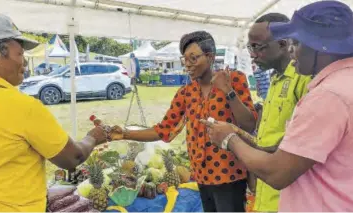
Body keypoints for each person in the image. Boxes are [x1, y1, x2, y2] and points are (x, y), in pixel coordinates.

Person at [202, 1, 353, 212]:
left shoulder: (329, 96)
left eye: (296, 44)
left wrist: (229, 140)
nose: (291, 51)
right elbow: (302, 148)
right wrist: (254, 146)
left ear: (319, 46)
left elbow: (278, 173)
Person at [0, 13, 108, 212]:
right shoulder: (20, 106)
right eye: (20, 54)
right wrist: (92, 137)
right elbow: (72, 158)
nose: (25, 63)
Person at [106, 31, 258, 212]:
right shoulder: (185, 93)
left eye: (193, 58)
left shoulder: (234, 79)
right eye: (184, 59)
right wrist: (125, 133)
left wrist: (228, 91)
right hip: (201, 175)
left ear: (210, 57)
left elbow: (249, 124)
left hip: (229, 173)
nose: (187, 64)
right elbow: (164, 130)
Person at [246, 13, 312, 212]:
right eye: (250, 47)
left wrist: (236, 143)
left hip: (289, 200)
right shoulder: (275, 80)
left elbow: (303, 144)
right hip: (266, 194)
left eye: (257, 47)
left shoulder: (304, 80)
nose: (252, 54)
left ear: (283, 44)